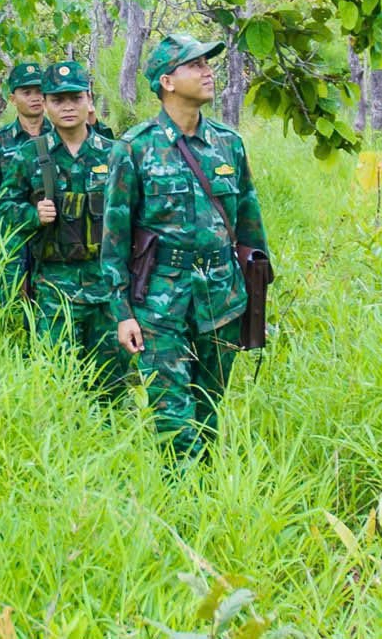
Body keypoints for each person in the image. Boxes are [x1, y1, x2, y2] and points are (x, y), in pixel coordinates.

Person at [101, 33, 271, 460]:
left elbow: (250, 229)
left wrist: (257, 301)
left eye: (207, 63)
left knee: (210, 410)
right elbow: (115, 237)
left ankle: (209, 503)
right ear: (167, 82)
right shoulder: (135, 147)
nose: (207, 71)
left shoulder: (228, 143)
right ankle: (181, 503)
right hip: (159, 301)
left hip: (222, 298)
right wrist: (122, 313)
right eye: (194, 64)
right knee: (173, 418)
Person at [0, 60, 125, 396]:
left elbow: (137, 218)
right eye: (57, 100)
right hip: (54, 287)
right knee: (55, 378)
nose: (67, 107)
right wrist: (31, 215)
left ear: (88, 100)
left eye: (75, 98)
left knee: (111, 383)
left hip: (106, 287)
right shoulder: (29, 155)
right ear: (47, 104)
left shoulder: (116, 154)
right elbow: (3, 209)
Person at [0, 61, 48, 293]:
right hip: (12, 240)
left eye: (40, 91)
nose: (35, 98)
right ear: (12, 98)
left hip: (54, 239)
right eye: (27, 92)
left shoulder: (61, 136)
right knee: (11, 305)